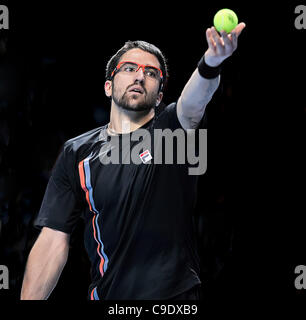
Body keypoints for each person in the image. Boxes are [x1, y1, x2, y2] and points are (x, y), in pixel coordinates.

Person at [20, 23, 246, 300]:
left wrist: (211, 62)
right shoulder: (76, 153)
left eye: (152, 73)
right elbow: (53, 239)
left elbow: (194, 102)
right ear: (108, 86)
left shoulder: (171, 131)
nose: (140, 77)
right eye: (129, 68)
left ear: (160, 96)